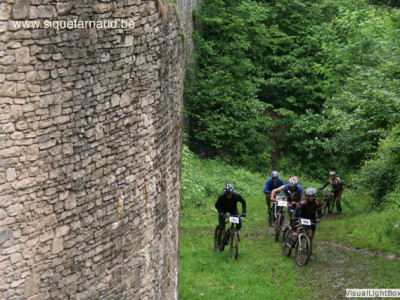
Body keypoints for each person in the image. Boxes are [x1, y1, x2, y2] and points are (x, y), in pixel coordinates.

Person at [292, 187, 323, 260]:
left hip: (312, 220)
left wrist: (318, 218)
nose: (311, 197)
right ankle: (309, 252)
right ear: (307, 196)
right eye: (309, 196)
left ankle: (309, 251)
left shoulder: (317, 202)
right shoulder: (303, 202)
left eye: (312, 196)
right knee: (310, 234)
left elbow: (320, 213)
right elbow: (296, 210)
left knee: (311, 237)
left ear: (314, 196)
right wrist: (293, 216)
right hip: (303, 218)